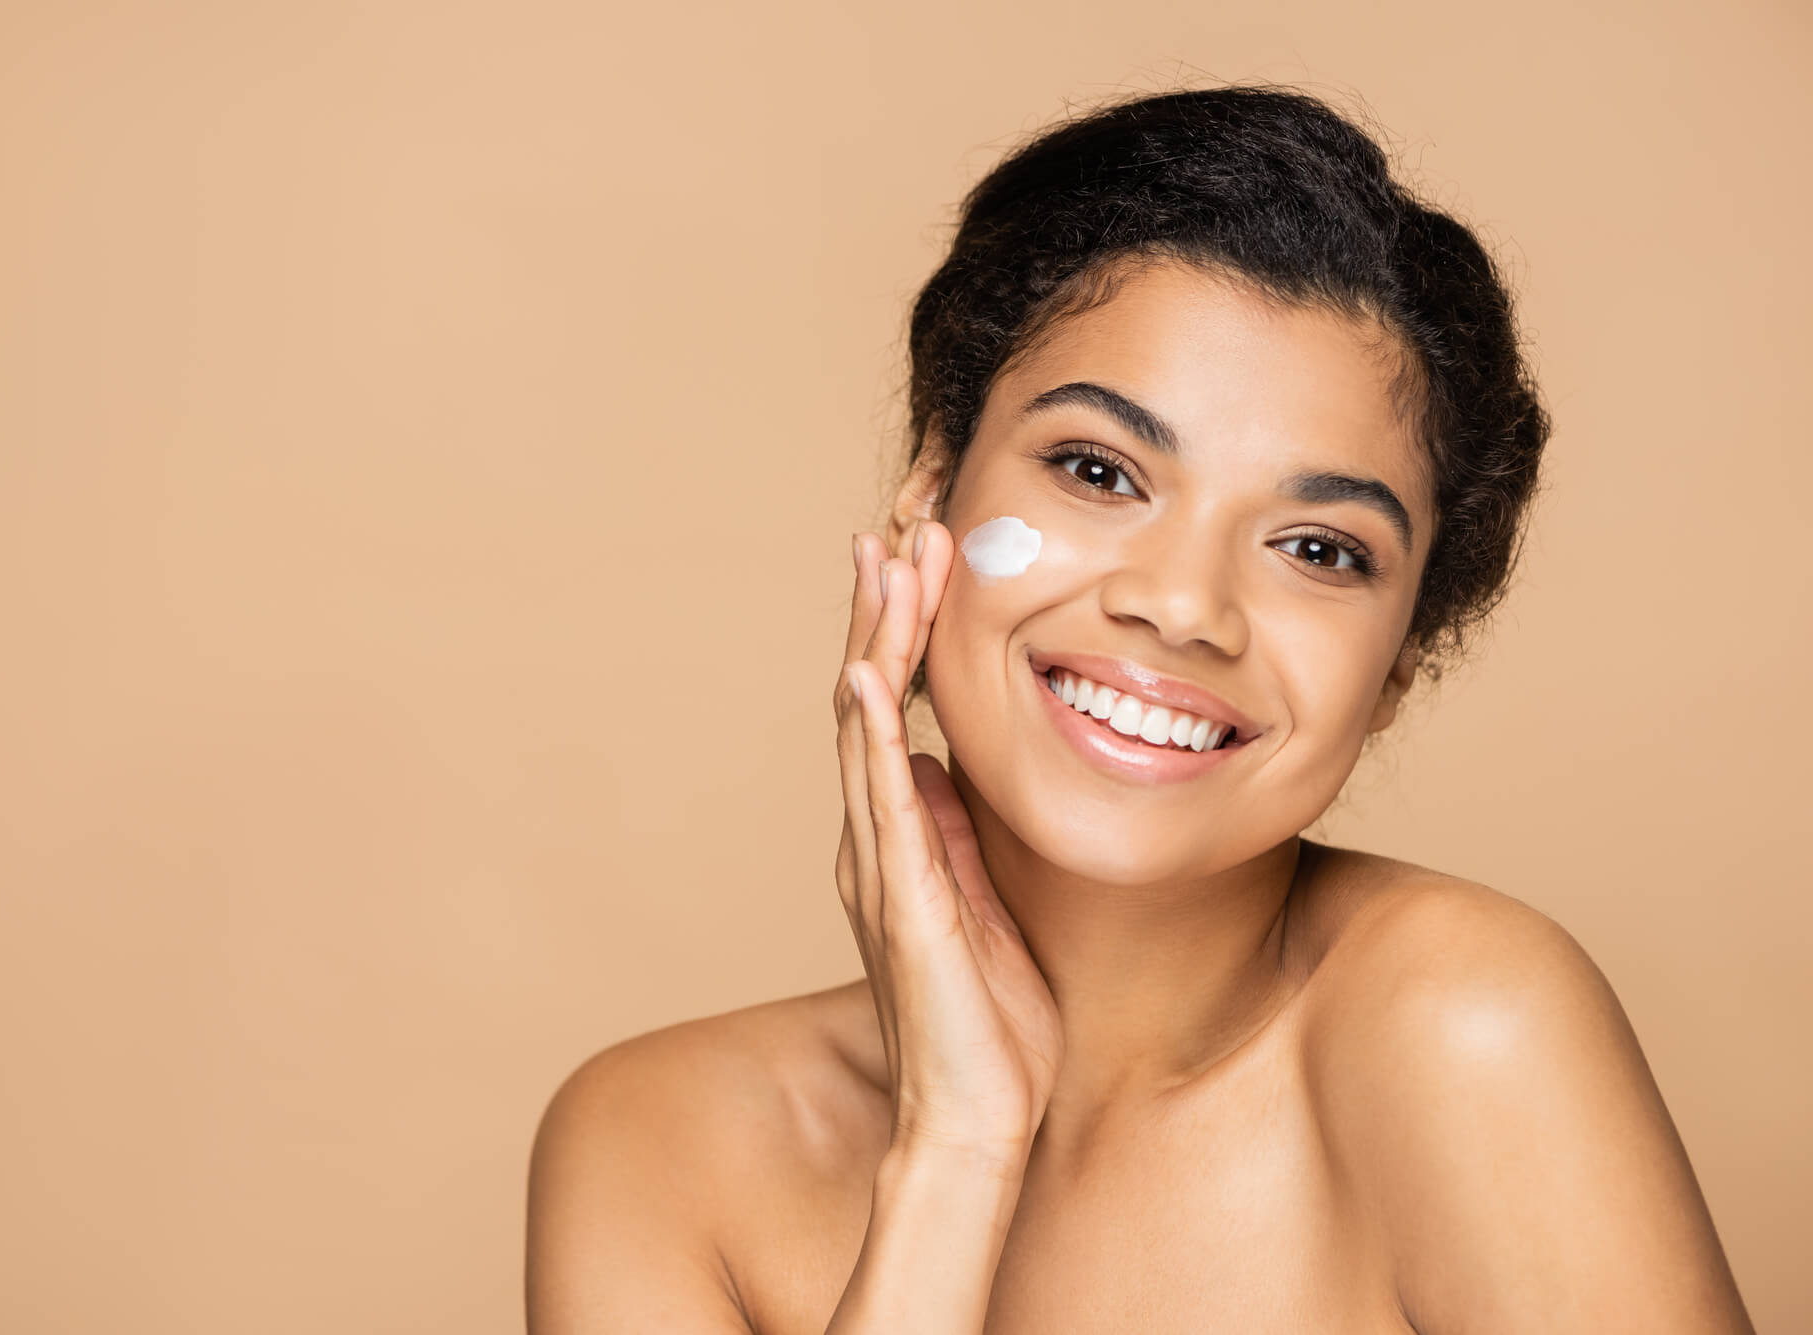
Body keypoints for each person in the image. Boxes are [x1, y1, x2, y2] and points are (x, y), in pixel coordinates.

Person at [525, 84, 1755, 1333]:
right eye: (1098, 470)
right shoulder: (656, 1144)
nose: (1181, 608)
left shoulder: (1467, 1032)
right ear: (929, 495)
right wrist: (953, 1150)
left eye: (1319, 550)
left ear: (1395, 668)